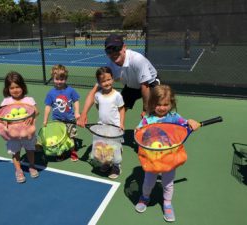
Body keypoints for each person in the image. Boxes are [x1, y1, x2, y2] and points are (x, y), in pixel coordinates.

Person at [134, 85, 200, 222]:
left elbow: (186, 124)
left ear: (171, 103)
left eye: (166, 104)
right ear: (152, 104)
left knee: (168, 183)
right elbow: (140, 130)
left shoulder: (174, 117)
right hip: (152, 159)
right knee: (148, 181)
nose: (162, 108)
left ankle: (167, 203)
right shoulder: (147, 119)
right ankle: (145, 197)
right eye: (158, 104)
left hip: (170, 158)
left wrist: (191, 122)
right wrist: (137, 130)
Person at [78, 34, 160, 127]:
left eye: (116, 48)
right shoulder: (110, 67)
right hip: (132, 85)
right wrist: (84, 113)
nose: (113, 53)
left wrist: (146, 110)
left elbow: (145, 86)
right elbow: (94, 90)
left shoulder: (137, 60)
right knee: (117, 110)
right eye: (109, 51)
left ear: (124, 47)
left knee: (156, 111)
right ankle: (115, 131)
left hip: (150, 83)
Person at [0, 71, 39, 183]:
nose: (15, 90)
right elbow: (2, 115)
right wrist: (2, 120)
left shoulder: (29, 100)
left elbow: (36, 110)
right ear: (7, 89)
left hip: (27, 132)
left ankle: (31, 165)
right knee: (15, 152)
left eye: (18, 87)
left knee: (30, 150)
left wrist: (33, 115)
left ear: (23, 87)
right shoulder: (6, 101)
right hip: (13, 134)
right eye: (12, 88)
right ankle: (18, 170)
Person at [43, 64, 80, 162]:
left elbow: (76, 101)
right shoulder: (51, 93)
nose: (59, 81)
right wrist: (45, 119)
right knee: (59, 138)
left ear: (66, 79)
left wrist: (76, 112)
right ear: (53, 78)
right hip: (57, 121)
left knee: (71, 136)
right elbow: (48, 106)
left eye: (62, 79)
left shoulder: (70, 90)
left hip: (70, 119)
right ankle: (61, 153)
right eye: (57, 79)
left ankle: (73, 152)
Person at [93, 66, 125, 179]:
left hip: (115, 127)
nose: (107, 83)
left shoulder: (117, 95)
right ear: (99, 82)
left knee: (115, 147)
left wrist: (121, 123)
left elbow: (122, 110)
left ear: (112, 79)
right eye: (103, 81)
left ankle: (116, 166)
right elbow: (98, 106)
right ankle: (106, 163)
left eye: (108, 79)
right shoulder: (97, 95)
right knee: (104, 146)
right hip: (102, 127)